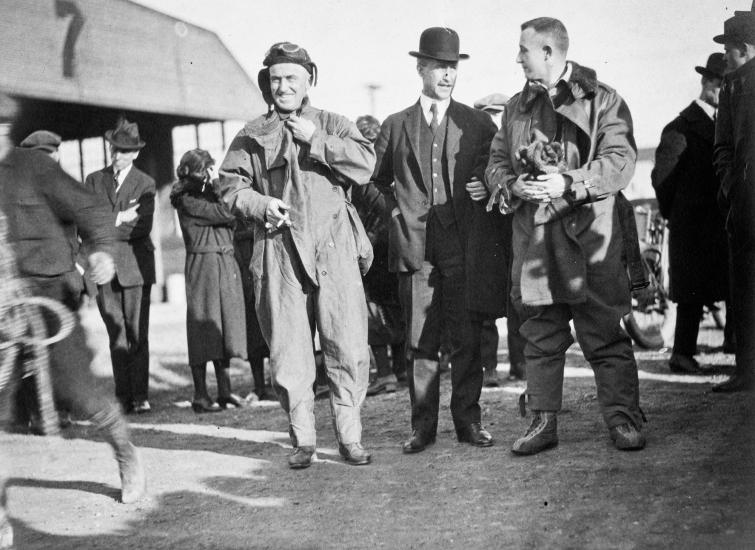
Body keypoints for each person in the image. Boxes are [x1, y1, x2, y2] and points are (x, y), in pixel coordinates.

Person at [486, 17, 646, 454]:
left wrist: (568, 182)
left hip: (590, 240)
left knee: (604, 332)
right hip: (537, 242)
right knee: (540, 333)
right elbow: (496, 161)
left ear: (550, 53)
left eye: (524, 50)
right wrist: (511, 184)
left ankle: (623, 419)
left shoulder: (603, 100)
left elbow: (619, 161)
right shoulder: (516, 107)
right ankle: (542, 422)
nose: (517, 57)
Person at [216, 41, 376, 469]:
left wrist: (318, 141)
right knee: (289, 349)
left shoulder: (333, 123)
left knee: (347, 343)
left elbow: (365, 164)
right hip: (279, 248)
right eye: (275, 79)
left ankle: (350, 437)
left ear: (310, 80)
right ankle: (303, 440)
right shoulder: (252, 134)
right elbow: (229, 186)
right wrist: (261, 205)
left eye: (291, 78)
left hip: (334, 246)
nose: (283, 86)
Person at [0, 94, 146, 519]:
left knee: (78, 390)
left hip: (48, 297)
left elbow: (92, 209)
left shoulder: (33, 167)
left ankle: (125, 451)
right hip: (1, 301)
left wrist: (101, 252)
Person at [372, 27, 498, 454]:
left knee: (467, 337)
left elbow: (492, 166)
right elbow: (373, 182)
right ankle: (422, 428)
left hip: (464, 244)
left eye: (453, 67)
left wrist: (483, 183)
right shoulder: (395, 125)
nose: (447, 75)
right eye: (439, 67)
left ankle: (468, 423)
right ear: (420, 68)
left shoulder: (477, 122)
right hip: (415, 248)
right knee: (420, 341)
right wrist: (396, 211)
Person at [651, 53, 730, 375]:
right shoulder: (681, 127)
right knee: (691, 293)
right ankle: (681, 354)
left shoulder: (722, 123)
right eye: (724, 86)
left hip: (717, 223)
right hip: (693, 225)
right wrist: (680, 215)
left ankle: (733, 345)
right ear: (709, 84)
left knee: (726, 285)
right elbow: (661, 180)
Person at [85, 119, 156, 414]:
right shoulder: (93, 181)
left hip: (135, 269)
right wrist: (119, 219)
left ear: (134, 154)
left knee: (137, 333)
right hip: (104, 269)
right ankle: (123, 396)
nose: (116, 155)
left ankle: (140, 395)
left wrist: (109, 223)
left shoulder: (145, 184)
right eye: (114, 149)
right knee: (116, 332)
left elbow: (141, 228)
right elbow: (88, 223)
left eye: (124, 151)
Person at [171, 149, 247, 412]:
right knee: (203, 328)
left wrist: (215, 187)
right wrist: (217, 185)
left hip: (223, 263)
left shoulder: (205, 195)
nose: (209, 174)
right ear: (193, 172)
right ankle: (201, 395)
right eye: (206, 170)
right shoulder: (187, 199)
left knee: (222, 327)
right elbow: (226, 213)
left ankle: (225, 392)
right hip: (203, 266)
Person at [712, 11, 755, 392]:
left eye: (727, 49)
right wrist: (730, 185)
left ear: (742, 49)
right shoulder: (729, 88)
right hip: (743, 207)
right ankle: (746, 372)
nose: (723, 56)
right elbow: (722, 146)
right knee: (742, 288)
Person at [471, 93, 527, 387]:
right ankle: (489, 367)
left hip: (514, 230)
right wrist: (480, 183)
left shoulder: (518, 139)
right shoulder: (475, 142)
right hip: (486, 236)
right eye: (488, 114)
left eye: (499, 113)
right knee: (485, 304)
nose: (494, 120)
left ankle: (520, 363)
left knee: (517, 298)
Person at [352, 114, 406, 397]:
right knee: (395, 307)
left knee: (374, 310)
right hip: (393, 245)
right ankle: (398, 370)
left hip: (373, 249)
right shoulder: (392, 169)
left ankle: (386, 373)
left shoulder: (362, 174)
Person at [233, 216, 274, 402]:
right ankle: (259, 385)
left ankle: (275, 381)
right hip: (244, 267)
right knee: (253, 328)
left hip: (267, 262)